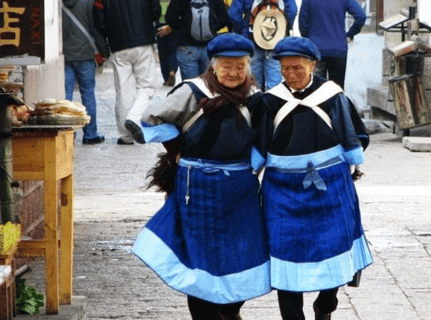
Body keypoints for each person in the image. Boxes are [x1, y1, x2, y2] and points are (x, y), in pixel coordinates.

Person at [131, 33, 270, 320]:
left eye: (240, 66)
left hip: (239, 189)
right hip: (197, 188)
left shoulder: (256, 98)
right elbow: (154, 119)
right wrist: (175, 151)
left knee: (241, 251)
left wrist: (253, 165)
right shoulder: (192, 91)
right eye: (226, 66)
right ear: (213, 65)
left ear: (248, 66)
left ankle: (231, 311)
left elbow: (264, 138)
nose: (233, 72)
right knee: (199, 256)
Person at [254, 36, 373, 320]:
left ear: (313, 65)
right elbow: (259, 143)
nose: (291, 75)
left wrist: (348, 161)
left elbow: (355, 136)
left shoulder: (332, 96)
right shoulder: (271, 101)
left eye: (297, 68)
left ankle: (325, 305)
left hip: (329, 186)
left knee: (334, 244)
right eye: (285, 69)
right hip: (282, 190)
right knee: (285, 254)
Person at [93, 0, 160, 145]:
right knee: (146, 87)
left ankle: (125, 136)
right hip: (143, 40)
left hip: (118, 45)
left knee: (123, 91)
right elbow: (156, 11)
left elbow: (99, 22)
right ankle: (134, 118)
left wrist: (110, 32)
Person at [63, 0, 108, 145]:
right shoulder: (88, 3)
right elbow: (95, 28)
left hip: (65, 56)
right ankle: (90, 134)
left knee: (65, 98)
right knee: (88, 94)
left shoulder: (57, 4)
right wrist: (103, 50)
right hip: (86, 55)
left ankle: (67, 134)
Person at [228, 0, 297, 91]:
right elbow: (292, 11)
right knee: (274, 84)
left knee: (253, 83)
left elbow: (234, 14)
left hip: (251, 39)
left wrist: (242, 31)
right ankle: (272, 103)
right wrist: (284, 27)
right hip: (275, 39)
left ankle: (255, 103)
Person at [299, 0, 366, 89]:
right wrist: (350, 34)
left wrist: (309, 41)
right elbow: (361, 16)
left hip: (316, 49)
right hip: (338, 48)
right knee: (336, 91)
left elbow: (303, 24)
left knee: (315, 92)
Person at [164, 0, 232, 81]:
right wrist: (212, 29)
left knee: (191, 84)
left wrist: (183, 28)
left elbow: (170, 17)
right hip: (209, 46)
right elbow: (224, 19)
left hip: (186, 46)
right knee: (208, 84)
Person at [156, 0, 178, 87]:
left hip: (160, 24)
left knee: (162, 52)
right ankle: (172, 70)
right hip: (172, 25)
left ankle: (166, 78)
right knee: (173, 50)